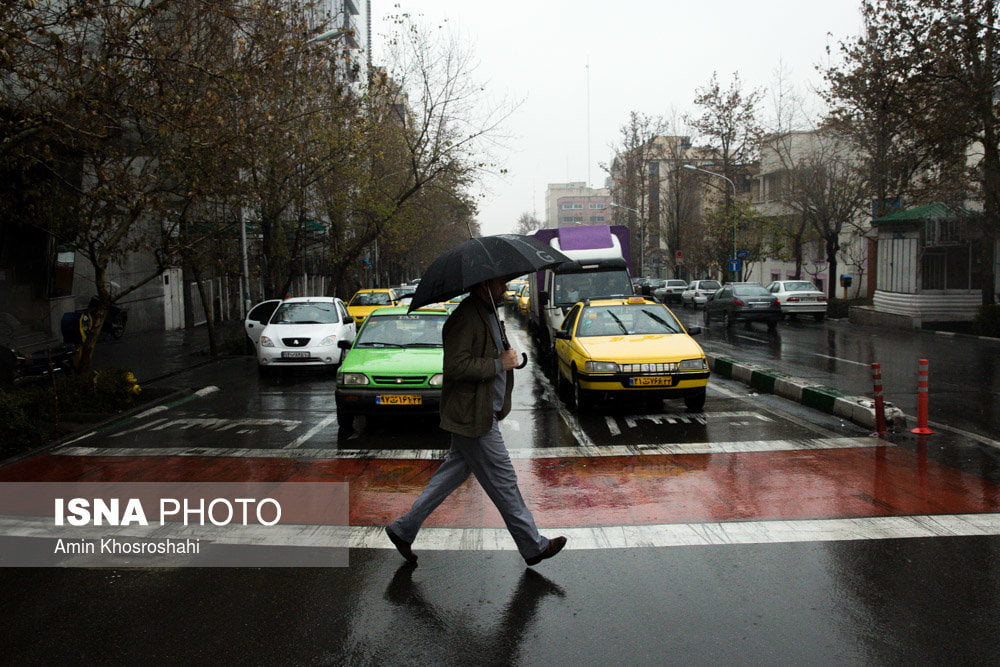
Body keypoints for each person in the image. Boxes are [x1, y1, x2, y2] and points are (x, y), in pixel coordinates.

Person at [386, 277, 567, 566]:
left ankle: (403, 529)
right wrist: (499, 364)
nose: (505, 290)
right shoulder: (465, 318)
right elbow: (455, 367)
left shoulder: (489, 313)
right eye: (500, 285)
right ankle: (533, 546)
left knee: (450, 476)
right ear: (484, 287)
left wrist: (512, 360)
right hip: (473, 416)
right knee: (504, 480)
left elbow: (495, 354)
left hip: (482, 411)